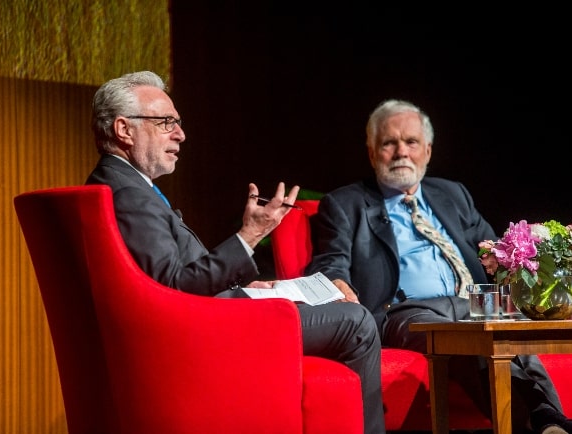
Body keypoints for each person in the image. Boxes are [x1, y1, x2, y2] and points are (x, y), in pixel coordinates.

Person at [84, 70, 385, 434]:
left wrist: (249, 290)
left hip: (206, 314)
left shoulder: (120, 185)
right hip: (200, 334)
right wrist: (250, 235)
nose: (181, 134)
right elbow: (174, 288)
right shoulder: (129, 195)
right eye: (166, 123)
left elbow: (167, 280)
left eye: (177, 123)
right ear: (124, 129)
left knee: (328, 302)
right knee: (355, 322)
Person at [305, 98, 572, 434]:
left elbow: (501, 254)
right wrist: (336, 284)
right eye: (389, 143)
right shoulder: (346, 204)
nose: (401, 151)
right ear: (373, 153)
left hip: (477, 303)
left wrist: (559, 287)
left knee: (502, 334)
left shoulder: (452, 194)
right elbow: (331, 263)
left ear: (428, 151)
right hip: (407, 312)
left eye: (411, 142)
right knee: (469, 334)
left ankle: (551, 424)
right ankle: (548, 425)